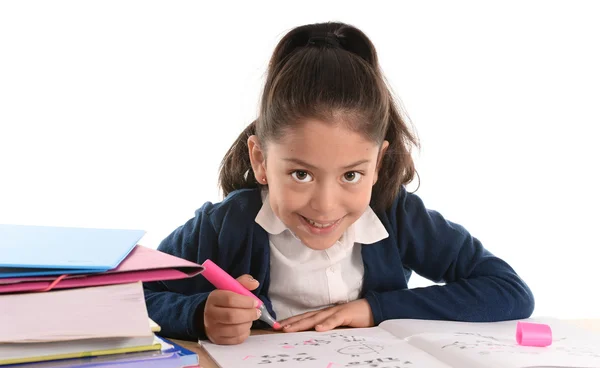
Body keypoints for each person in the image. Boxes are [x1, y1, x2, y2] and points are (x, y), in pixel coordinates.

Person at [143, 21, 534, 345]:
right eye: (301, 174)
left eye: (351, 175)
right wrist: (198, 315)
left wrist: (375, 309)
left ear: (378, 163)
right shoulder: (225, 224)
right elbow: (134, 296)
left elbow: (507, 291)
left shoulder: (397, 216)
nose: (325, 206)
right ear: (261, 160)